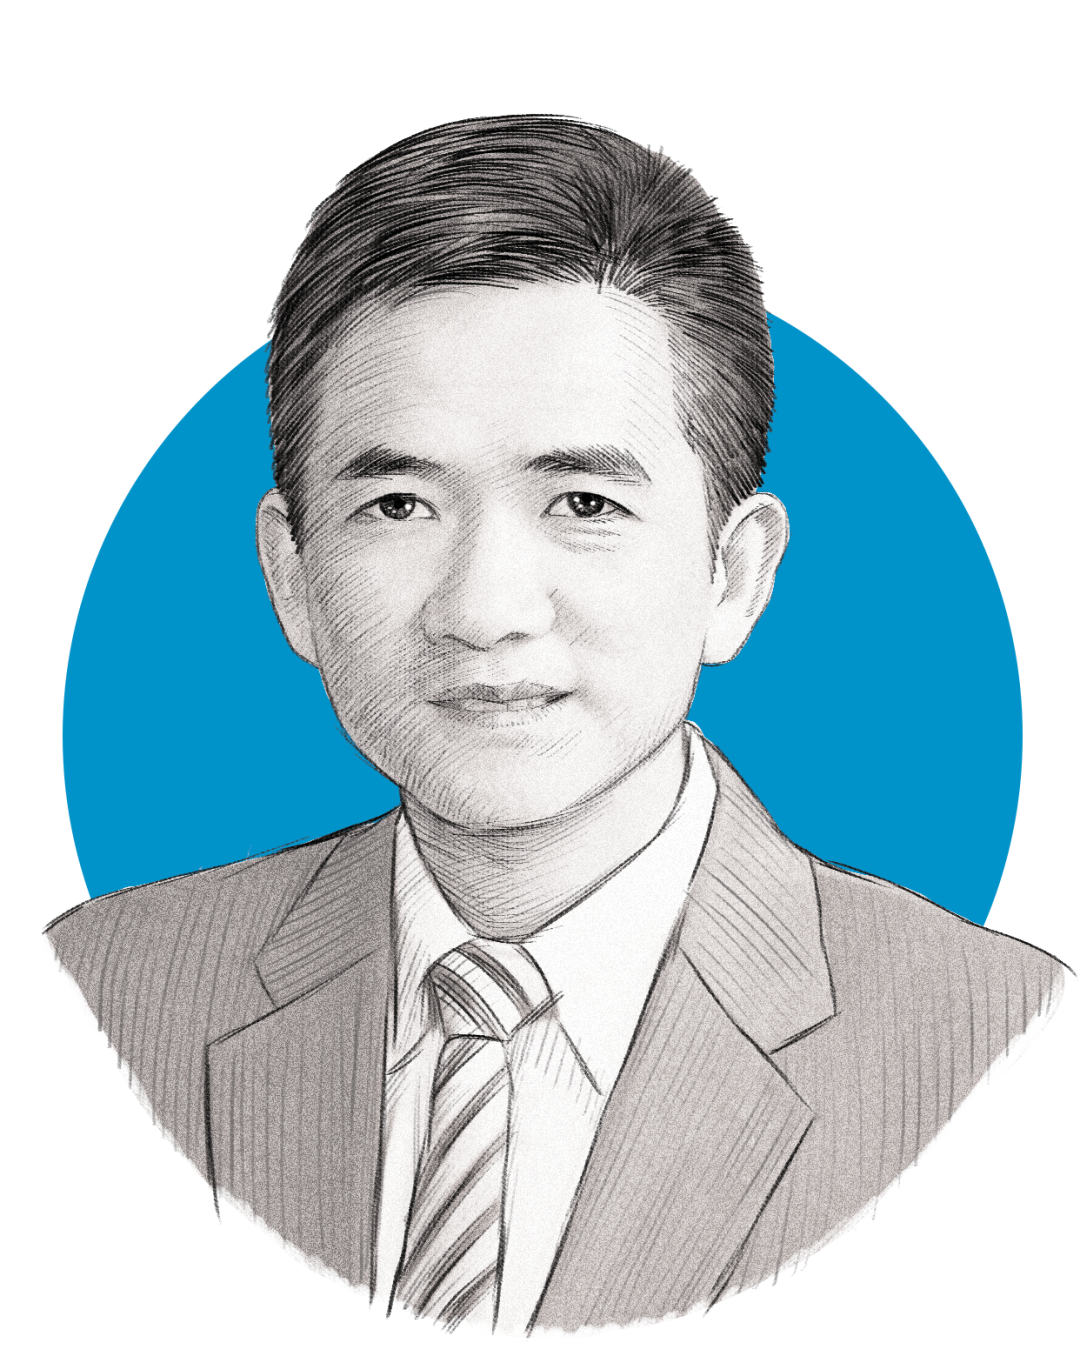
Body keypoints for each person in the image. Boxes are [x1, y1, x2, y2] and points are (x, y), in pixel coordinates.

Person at [42, 116, 1064, 1338]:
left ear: (734, 576)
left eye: (583, 502)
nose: (484, 610)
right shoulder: (113, 986)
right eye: (398, 503)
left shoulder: (980, 1031)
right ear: (292, 576)